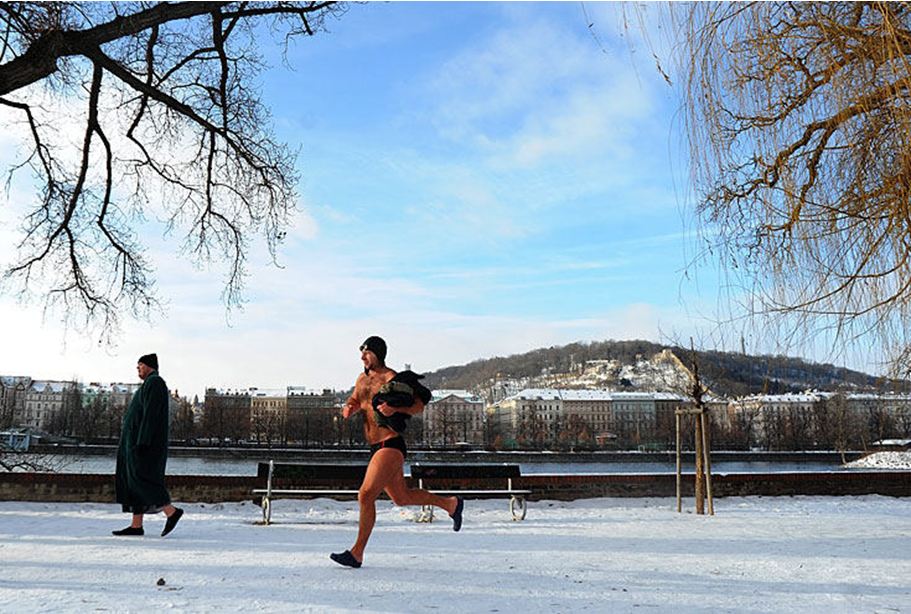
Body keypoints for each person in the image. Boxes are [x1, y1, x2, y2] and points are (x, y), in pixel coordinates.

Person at [330, 336, 463, 568]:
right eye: (361, 353)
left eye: (367, 353)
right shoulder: (361, 379)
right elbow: (354, 399)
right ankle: (451, 505)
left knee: (365, 495)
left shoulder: (390, 378)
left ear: (378, 354)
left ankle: (357, 553)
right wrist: (349, 407)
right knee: (401, 498)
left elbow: (419, 405)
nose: (362, 357)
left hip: (390, 444)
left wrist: (394, 408)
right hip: (375, 447)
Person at [112, 353, 184, 537]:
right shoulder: (149, 384)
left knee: (142, 479)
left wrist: (143, 441)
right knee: (134, 481)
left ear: (149, 366)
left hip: (143, 444)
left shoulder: (155, 383)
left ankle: (172, 512)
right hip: (136, 442)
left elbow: (151, 415)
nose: (138, 369)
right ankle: (136, 526)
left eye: (140, 365)